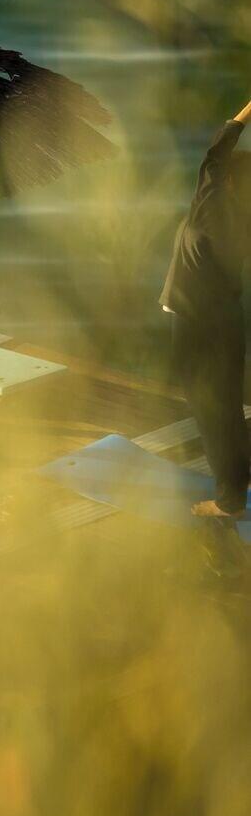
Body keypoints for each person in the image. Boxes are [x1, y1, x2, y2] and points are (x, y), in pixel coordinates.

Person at [160, 96, 251, 520]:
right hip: (226, 321)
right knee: (226, 406)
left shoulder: (212, 204)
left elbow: (217, 152)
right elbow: (219, 157)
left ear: (228, 183)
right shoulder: (241, 215)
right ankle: (237, 482)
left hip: (199, 322)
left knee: (212, 411)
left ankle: (229, 500)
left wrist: (246, 111)